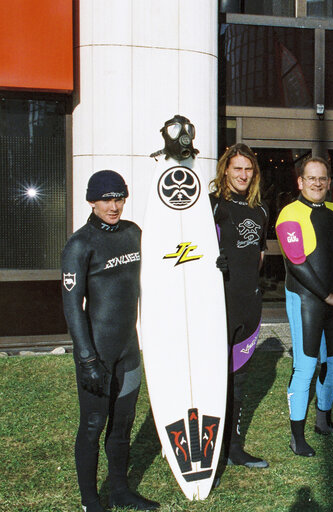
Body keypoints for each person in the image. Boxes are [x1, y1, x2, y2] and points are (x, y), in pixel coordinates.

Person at [61, 170, 159, 512]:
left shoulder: (134, 234)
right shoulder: (80, 243)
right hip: (97, 353)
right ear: (91, 201)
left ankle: (120, 490)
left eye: (119, 198)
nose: (114, 206)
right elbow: (72, 307)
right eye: (106, 199)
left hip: (128, 351)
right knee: (92, 425)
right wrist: (87, 359)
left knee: (122, 425)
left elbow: (168, 263)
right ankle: (91, 501)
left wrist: (206, 263)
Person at [275, 157, 333, 457]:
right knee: (306, 365)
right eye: (311, 178)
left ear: (329, 181)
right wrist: (328, 295)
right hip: (306, 298)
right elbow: (297, 263)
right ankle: (297, 437)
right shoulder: (289, 214)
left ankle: (324, 422)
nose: (317, 183)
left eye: (323, 178)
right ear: (300, 181)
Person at [209, 143, 269, 469]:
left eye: (248, 169)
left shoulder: (260, 211)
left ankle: (232, 447)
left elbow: (257, 257)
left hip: (249, 308)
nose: (243, 175)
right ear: (226, 171)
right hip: (219, 307)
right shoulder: (211, 207)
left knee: (240, 381)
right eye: (237, 169)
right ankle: (212, 451)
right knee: (216, 379)